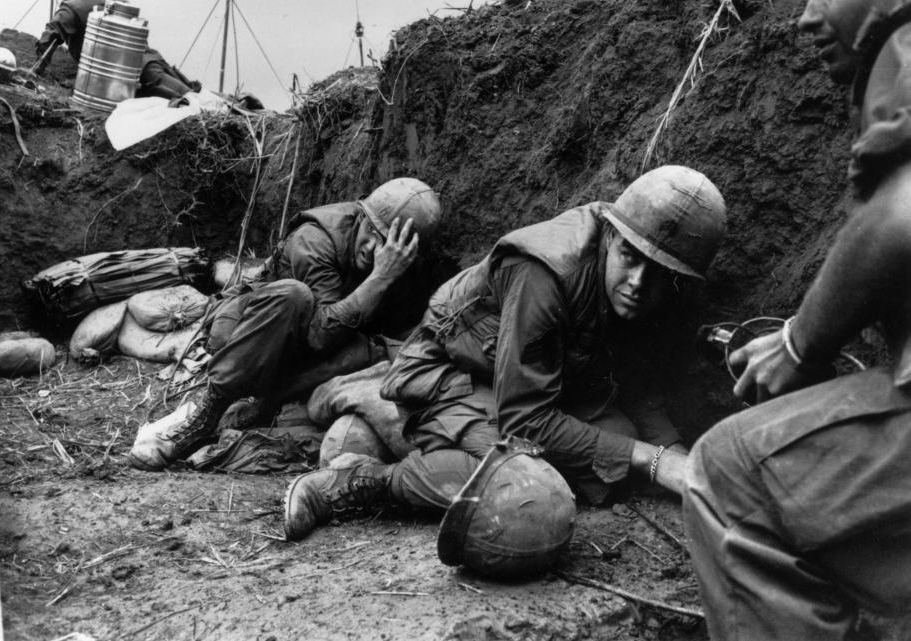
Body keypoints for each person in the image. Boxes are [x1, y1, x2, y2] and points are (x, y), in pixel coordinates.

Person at [284, 164, 727, 541]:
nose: (637, 283)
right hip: (448, 370)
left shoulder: (657, 283)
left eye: (660, 273)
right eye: (630, 257)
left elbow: (638, 380)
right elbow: (527, 422)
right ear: (611, 235)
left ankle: (411, 440)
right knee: (529, 484)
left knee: (610, 461)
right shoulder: (546, 272)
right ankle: (362, 480)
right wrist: (654, 460)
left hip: (530, 381)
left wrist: (682, 459)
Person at [682, 1, 911, 639]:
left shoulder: (905, 44)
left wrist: (798, 342)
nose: (805, 19)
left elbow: (902, 213)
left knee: (729, 477)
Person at [129, 177, 442, 471]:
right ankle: (205, 416)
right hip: (249, 333)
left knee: (374, 351)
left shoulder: (405, 268)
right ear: (361, 216)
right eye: (373, 231)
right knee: (295, 295)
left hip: (304, 352)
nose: (374, 249)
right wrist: (381, 278)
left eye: (387, 244)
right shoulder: (316, 239)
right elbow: (321, 335)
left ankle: (264, 406)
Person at [35, 0, 201, 100]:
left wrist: (36, 70)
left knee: (190, 101)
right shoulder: (114, 3)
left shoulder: (72, 8)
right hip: (151, 62)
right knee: (194, 97)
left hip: (134, 74)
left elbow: (50, 35)